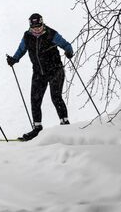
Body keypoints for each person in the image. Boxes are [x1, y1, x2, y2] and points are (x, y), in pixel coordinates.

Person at [6, 13, 74, 141]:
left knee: (56, 97)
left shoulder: (51, 33)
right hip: (39, 73)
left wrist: (69, 51)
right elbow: (22, 49)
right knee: (35, 100)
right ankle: (37, 128)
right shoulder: (27, 36)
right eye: (34, 27)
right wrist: (14, 59)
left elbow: (66, 44)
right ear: (30, 26)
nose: (37, 29)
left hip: (55, 70)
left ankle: (65, 124)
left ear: (43, 24)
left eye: (39, 26)